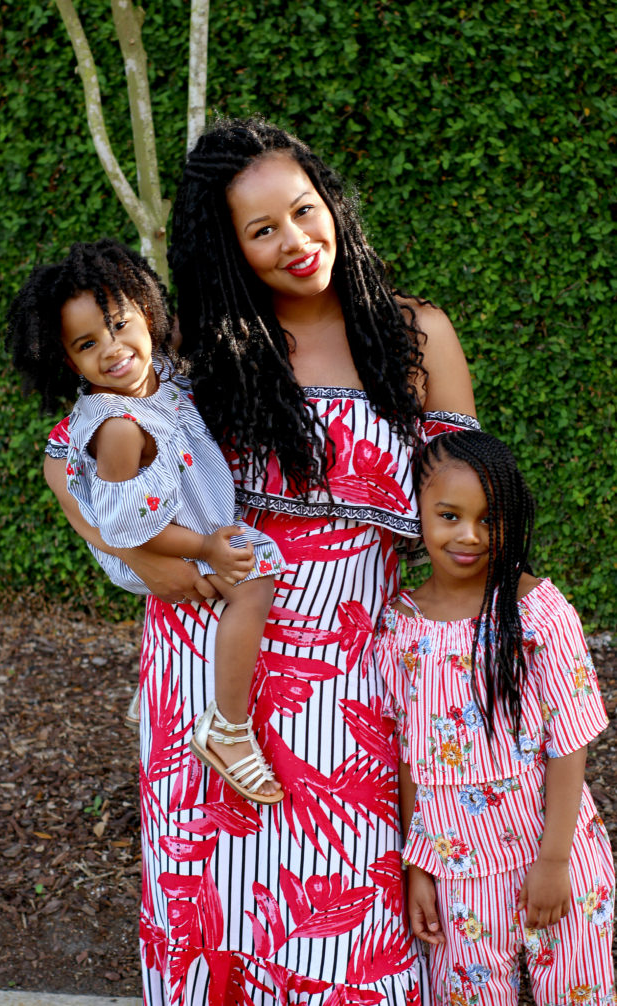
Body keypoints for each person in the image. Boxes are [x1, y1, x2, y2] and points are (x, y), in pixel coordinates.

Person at [43, 118, 479, 1005]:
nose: (296, 243)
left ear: (333, 209)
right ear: (232, 246)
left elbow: (470, 501)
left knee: (340, 922)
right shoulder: (204, 356)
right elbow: (71, 458)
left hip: (350, 684)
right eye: (263, 230)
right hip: (207, 669)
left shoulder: (416, 336)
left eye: (304, 212)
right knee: (215, 916)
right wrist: (132, 555)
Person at [7, 238, 285, 804]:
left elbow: (57, 458)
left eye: (120, 323)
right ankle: (227, 728)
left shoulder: (157, 370)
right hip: (150, 539)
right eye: (87, 344)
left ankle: (174, 698)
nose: (112, 348)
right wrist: (206, 548)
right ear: (69, 361)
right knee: (252, 584)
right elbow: (131, 531)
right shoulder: (120, 428)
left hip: (164, 519)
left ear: (148, 313)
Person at [375, 430, 615, 1003]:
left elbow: (568, 741)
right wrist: (417, 869)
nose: (470, 536)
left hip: (557, 856)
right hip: (460, 876)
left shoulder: (538, 614)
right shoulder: (400, 626)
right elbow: (411, 758)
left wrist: (554, 861)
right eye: (450, 515)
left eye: (489, 518)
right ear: (417, 512)